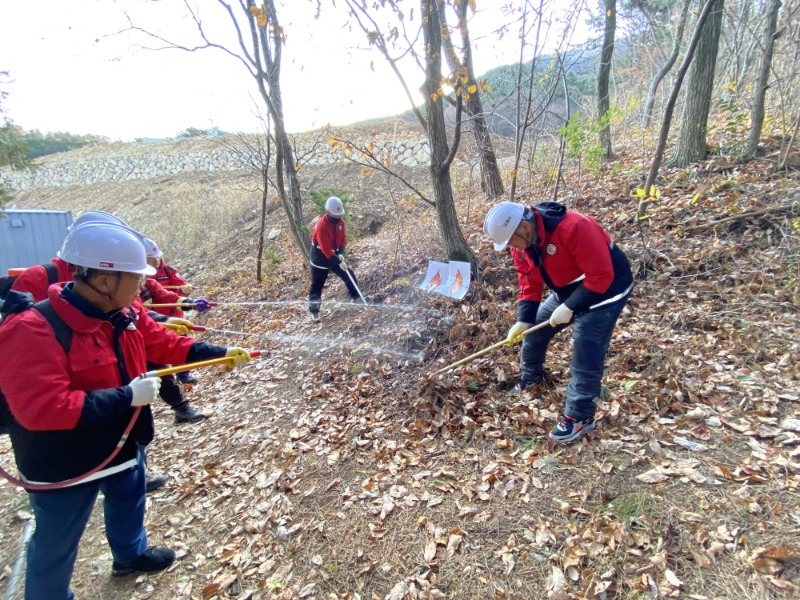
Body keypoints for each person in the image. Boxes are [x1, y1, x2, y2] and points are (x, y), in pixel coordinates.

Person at [0, 222, 252, 599]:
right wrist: (126, 396)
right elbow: (42, 409)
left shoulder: (124, 313)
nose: (141, 287)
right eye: (135, 278)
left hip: (121, 443)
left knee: (128, 499)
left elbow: (161, 341)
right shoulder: (33, 329)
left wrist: (218, 354)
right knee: (56, 540)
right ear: (103, 281)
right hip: (64, 463)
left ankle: (130, 555)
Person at [483, 201, 633, 443]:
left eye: (512, 240)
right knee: (534, 332)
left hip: (608, 290)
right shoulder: (522, 245)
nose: (512, 247)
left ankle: (580, 416)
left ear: (524, 226)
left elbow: (601, 275)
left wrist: (569, 307)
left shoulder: (574, 227)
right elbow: (529, 281)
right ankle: (531, 378)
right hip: (568, 290)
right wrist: (524, 319)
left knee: (586, 349)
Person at [140, 238, 207, 424]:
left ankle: (181, 409)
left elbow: (166, 295)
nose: (156, 260)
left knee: (161, 370)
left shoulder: (151, 279)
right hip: (140, 333)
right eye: (151, 257)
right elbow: (135, 312)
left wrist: (189, 303)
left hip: (159, 328)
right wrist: (143, 308)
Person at [147, 240, 200, 384]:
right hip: (156, 320)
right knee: (161, 349)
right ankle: (162, 382)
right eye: (153, 257)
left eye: (158, 256)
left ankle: (183, 375)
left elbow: (174, 289)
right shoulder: (142, 276)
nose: (157, 259)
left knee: (181, 344)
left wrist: (185, 291)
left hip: (175, 315)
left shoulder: (168, 270)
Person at [308, 196, 362, 323]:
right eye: (336, 214)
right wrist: (338, 262)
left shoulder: (340, 223)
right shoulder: (321, 226)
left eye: (339, 214)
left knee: (349, 275)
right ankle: (314, 312)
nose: (338, 217)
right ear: (328, 212)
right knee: (317, 286)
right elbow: (325, 249)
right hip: (319, 258)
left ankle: (356, 297)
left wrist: (341, 252)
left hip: (334, 254)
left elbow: (342, 239)